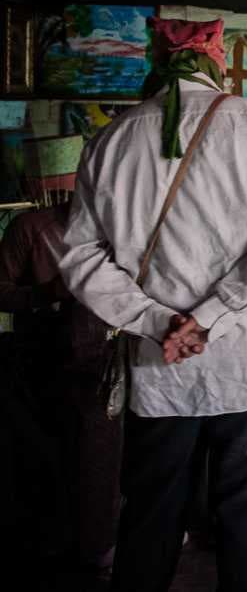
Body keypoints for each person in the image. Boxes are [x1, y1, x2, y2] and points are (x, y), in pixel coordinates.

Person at [60, 17, 247, 592]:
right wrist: (213, 316)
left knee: (152, 510)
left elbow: (79, 257)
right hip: (245, 365)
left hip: (157, 367)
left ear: (155, 60)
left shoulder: (110, 139)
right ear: (216, 59)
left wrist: (155, 320)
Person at [0, 139, 122, 581]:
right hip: (41, 363)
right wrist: (42, 296)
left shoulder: (110, 230)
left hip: (98, 360)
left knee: (99, 459)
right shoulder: (29, 229)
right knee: (46, 460)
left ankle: (97, 542)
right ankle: (53, 544)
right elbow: (2, 291)